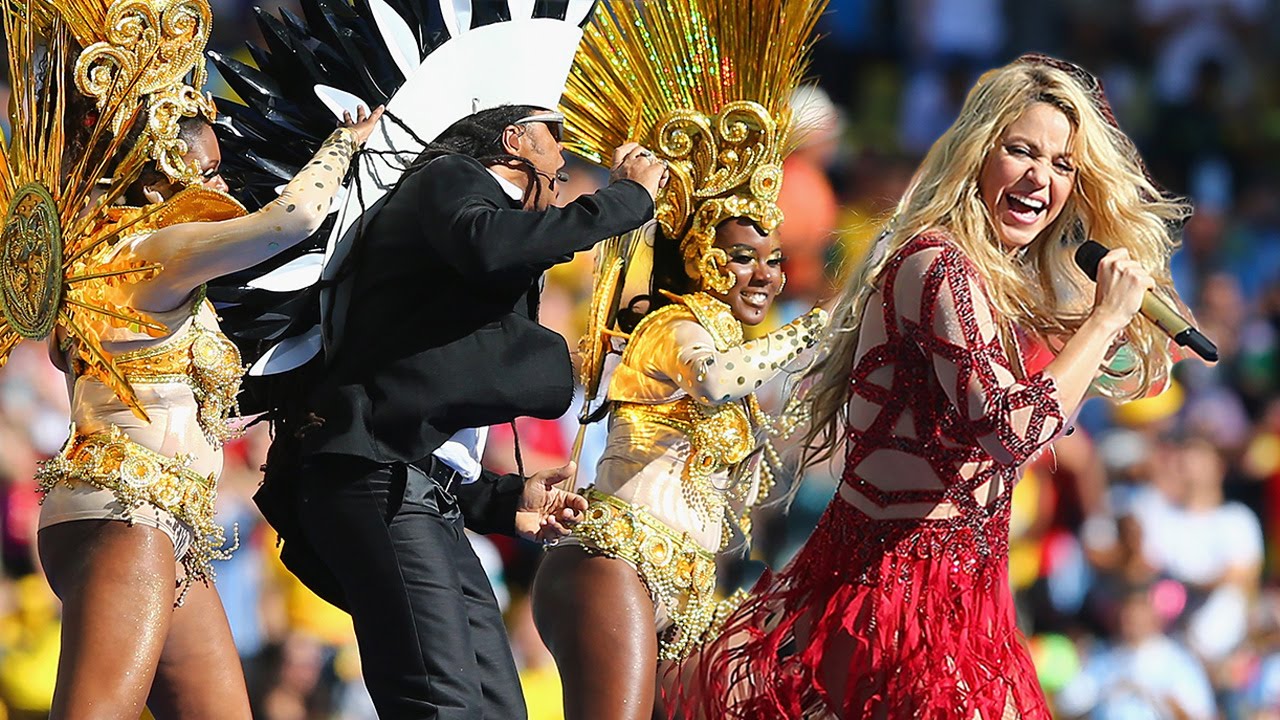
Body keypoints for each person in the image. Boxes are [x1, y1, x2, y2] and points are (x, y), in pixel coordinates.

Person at [677, 54, 1194, 719]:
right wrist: (1105, 318)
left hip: (969, 601)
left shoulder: (991, 281)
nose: (1042, 177)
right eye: (1022, 151)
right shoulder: (936, 262)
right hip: (893, 601)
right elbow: (1012, 429)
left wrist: (1111, 327)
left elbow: (1085, 393)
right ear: (980, 151)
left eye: (1063, 165)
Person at [1, 1, 382, 717]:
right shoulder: (154, 251)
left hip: (154, 520)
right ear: (161, 169)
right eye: (209, 170)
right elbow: (292, 221)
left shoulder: (99, 260)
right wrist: (346, 143)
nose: (225, 186)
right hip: (131, 518)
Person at [280, 102, 665, 718]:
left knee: (496, 706)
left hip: (421, 496)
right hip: (377, 482)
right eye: (555, 136)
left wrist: (503, 499)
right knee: (443, 704)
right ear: (513, 139)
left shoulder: (468, 243)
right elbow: (491, 246)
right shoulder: (450, 177)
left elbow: (427, 400)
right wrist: (625, 200)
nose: (564, 158)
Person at [528, 2, 828, 719]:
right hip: (614, 569)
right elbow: (718, 382)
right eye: (743, 259)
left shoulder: (733, 339)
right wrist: (820, 324)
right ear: (700, 256)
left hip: (685, 589)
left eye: (774, 262)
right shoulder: (673, 325)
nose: (765, 277)